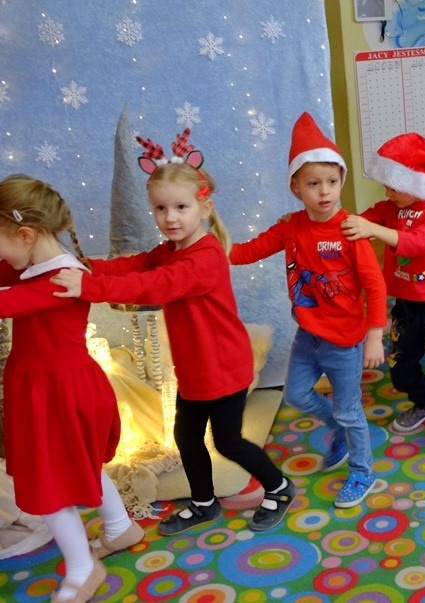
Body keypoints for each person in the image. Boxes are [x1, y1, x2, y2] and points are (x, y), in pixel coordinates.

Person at [52, 129, 295, 536]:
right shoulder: (170, 250)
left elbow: (155, 285)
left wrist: (89, 288)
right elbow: (137, 265)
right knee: (187, 437)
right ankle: (204, 502)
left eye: (181, 207)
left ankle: (279, 487)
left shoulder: (204, 257)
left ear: (204, 207)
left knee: (228, 442)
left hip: (223, 368)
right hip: (196, 369)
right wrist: (88, 267)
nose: (170, 218)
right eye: (161, 208)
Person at [229, 113, 386, 509]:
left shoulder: (351, 230)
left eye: (331, 181)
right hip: (308, 336)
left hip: (345, 342)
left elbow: (375, 286)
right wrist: (208, 243)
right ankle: (338, 431)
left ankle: (363, 471)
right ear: (296, 187)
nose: (324, 191)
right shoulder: (291, 227)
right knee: (296, 395)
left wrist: (374, 335)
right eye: (313, 183)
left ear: (341, 181)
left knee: (350, 411)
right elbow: (246, 252)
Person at [0, 175, 142, 602]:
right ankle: (119, 527)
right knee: (79, 465)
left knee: (47, 483)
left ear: (26, 235)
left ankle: (83, 568)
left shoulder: (62, 279)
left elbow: (6, 302)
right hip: (50, 389)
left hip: (58, 393)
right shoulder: (27, 262)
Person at [341, 133, 425, 462]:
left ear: (414, 183)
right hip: (407, 307)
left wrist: (375, 232)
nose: (388, 193)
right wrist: (323, 223)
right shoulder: (391, 208)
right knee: (399, 367)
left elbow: (418, 243)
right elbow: (360, 220)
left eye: (394, 187)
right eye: (386, 187)